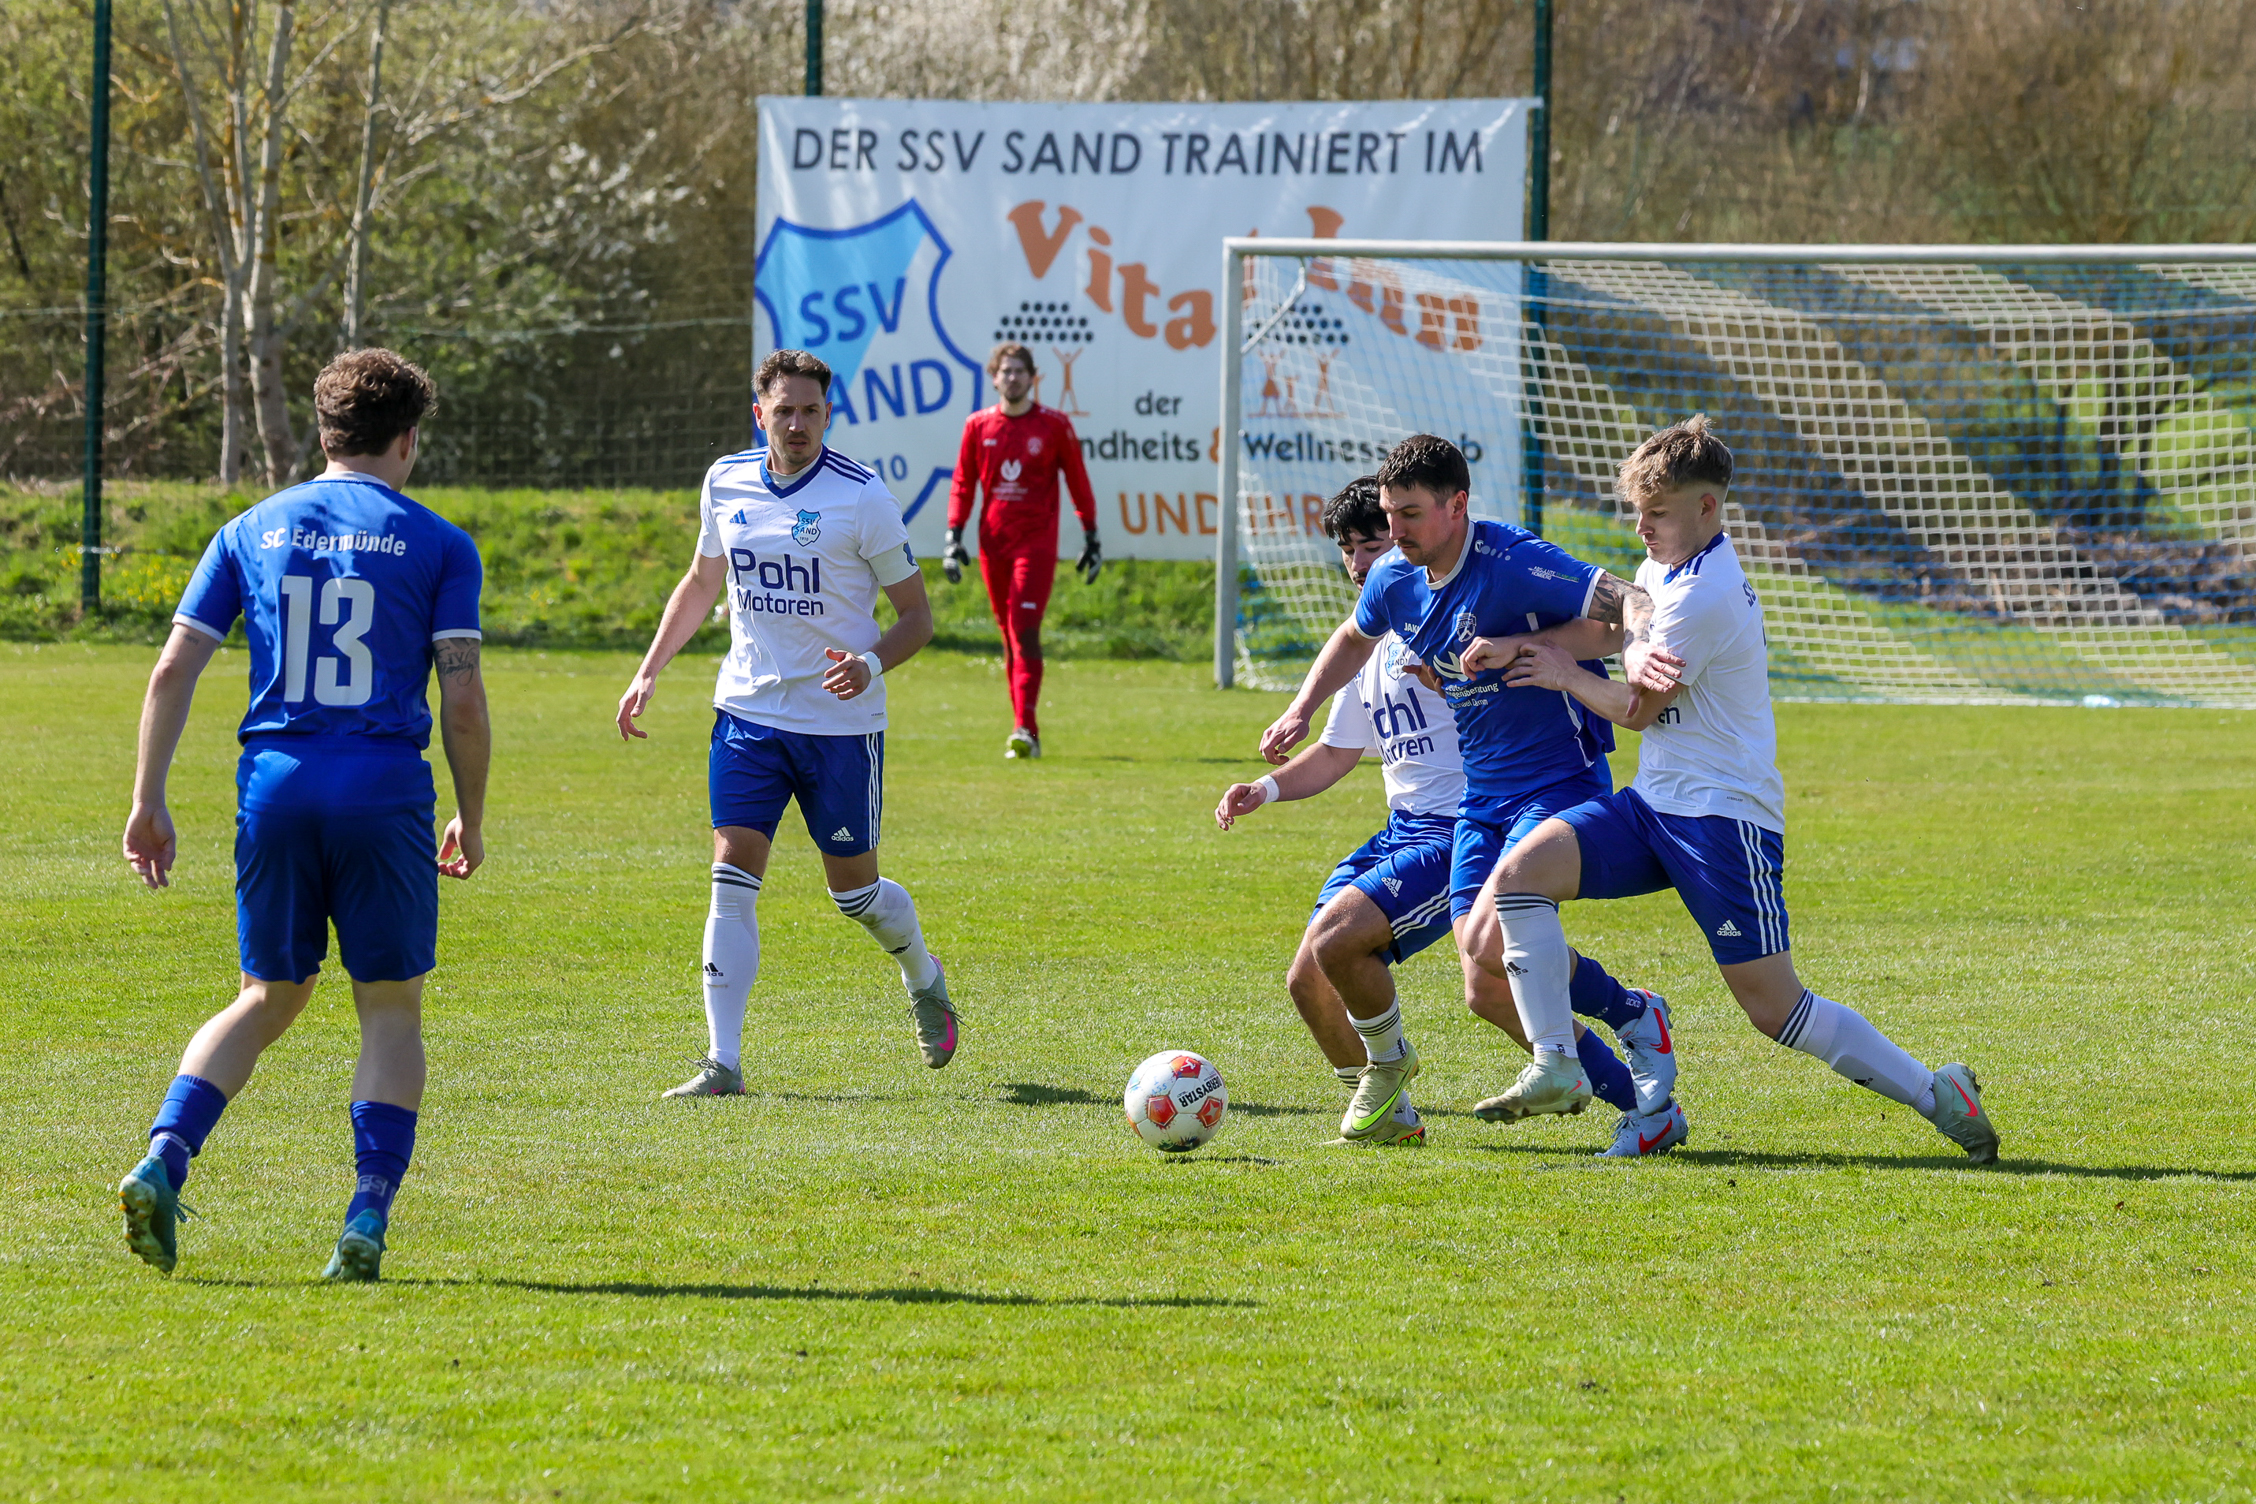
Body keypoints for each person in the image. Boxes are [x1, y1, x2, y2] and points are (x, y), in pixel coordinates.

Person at [1463, 416, 1999, 1163]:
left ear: (1707, 508)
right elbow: (1613, 634)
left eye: (1657, 512)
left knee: (1775, 1009)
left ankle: (1936, 1092)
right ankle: (1559, 1062)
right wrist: (1521, 647)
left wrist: (1559, 674)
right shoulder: (1663, 571)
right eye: (1638, 512)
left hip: (1722, 819)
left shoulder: (1706, 594)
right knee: (1521, 875)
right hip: (1655, 805)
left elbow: (1637, 710)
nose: (1642, 527)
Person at [117, 348, 489, 1282]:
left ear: (324, 433)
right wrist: (471, 813)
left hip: (275, 786)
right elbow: (463, 697)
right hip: (381, 789)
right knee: (389, 1007)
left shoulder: (248, 529)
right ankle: (365, 1216)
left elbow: (171, 669)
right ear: (408, 440)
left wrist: (147, 798)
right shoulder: (440, 543)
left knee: (267, 996)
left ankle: (163, 1156)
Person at [1256, 437, 1687, 1155]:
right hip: (1482, 797)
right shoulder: (1395, 577)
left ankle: (1620, 1022)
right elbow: (1354, 636)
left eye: (1410, 515)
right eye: (1390, 515)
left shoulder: (1512, 560)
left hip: (1555, 777)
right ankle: (1648, 1100)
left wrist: (1623, 647)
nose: (1395, 532)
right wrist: (1302, 708)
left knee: (1489, 939)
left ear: (1457, 505)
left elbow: (1627, 601)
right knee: (1485, 986)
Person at [618, 349, 949, 1098]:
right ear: (758, 413)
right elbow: (702, 580)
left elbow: (917, 618)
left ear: (828, 416)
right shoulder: (725, 480)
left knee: (854, 895)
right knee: (730, 877)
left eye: (811, 411)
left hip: (839, 728)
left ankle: (921, 973)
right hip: (747, 714)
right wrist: (649, 669)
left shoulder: (862, 497)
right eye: (785, 410)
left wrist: (868, 665)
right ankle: (723, 1062)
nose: (798, 423)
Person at [942, 342, 1102, 760]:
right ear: (994, 377)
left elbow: (1078, 480)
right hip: (993, 545)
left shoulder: (1054, 425)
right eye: (1006, 371)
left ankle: (1025, 729)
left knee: (1024, 627)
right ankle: (1023, 728)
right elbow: (963, 483)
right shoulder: (978, 426)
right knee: (1009, 634)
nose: (1012, 377)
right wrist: (954, 535)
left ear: (1033, 378)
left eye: (1019, 371)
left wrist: (1091, 534)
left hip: (1036, 544)